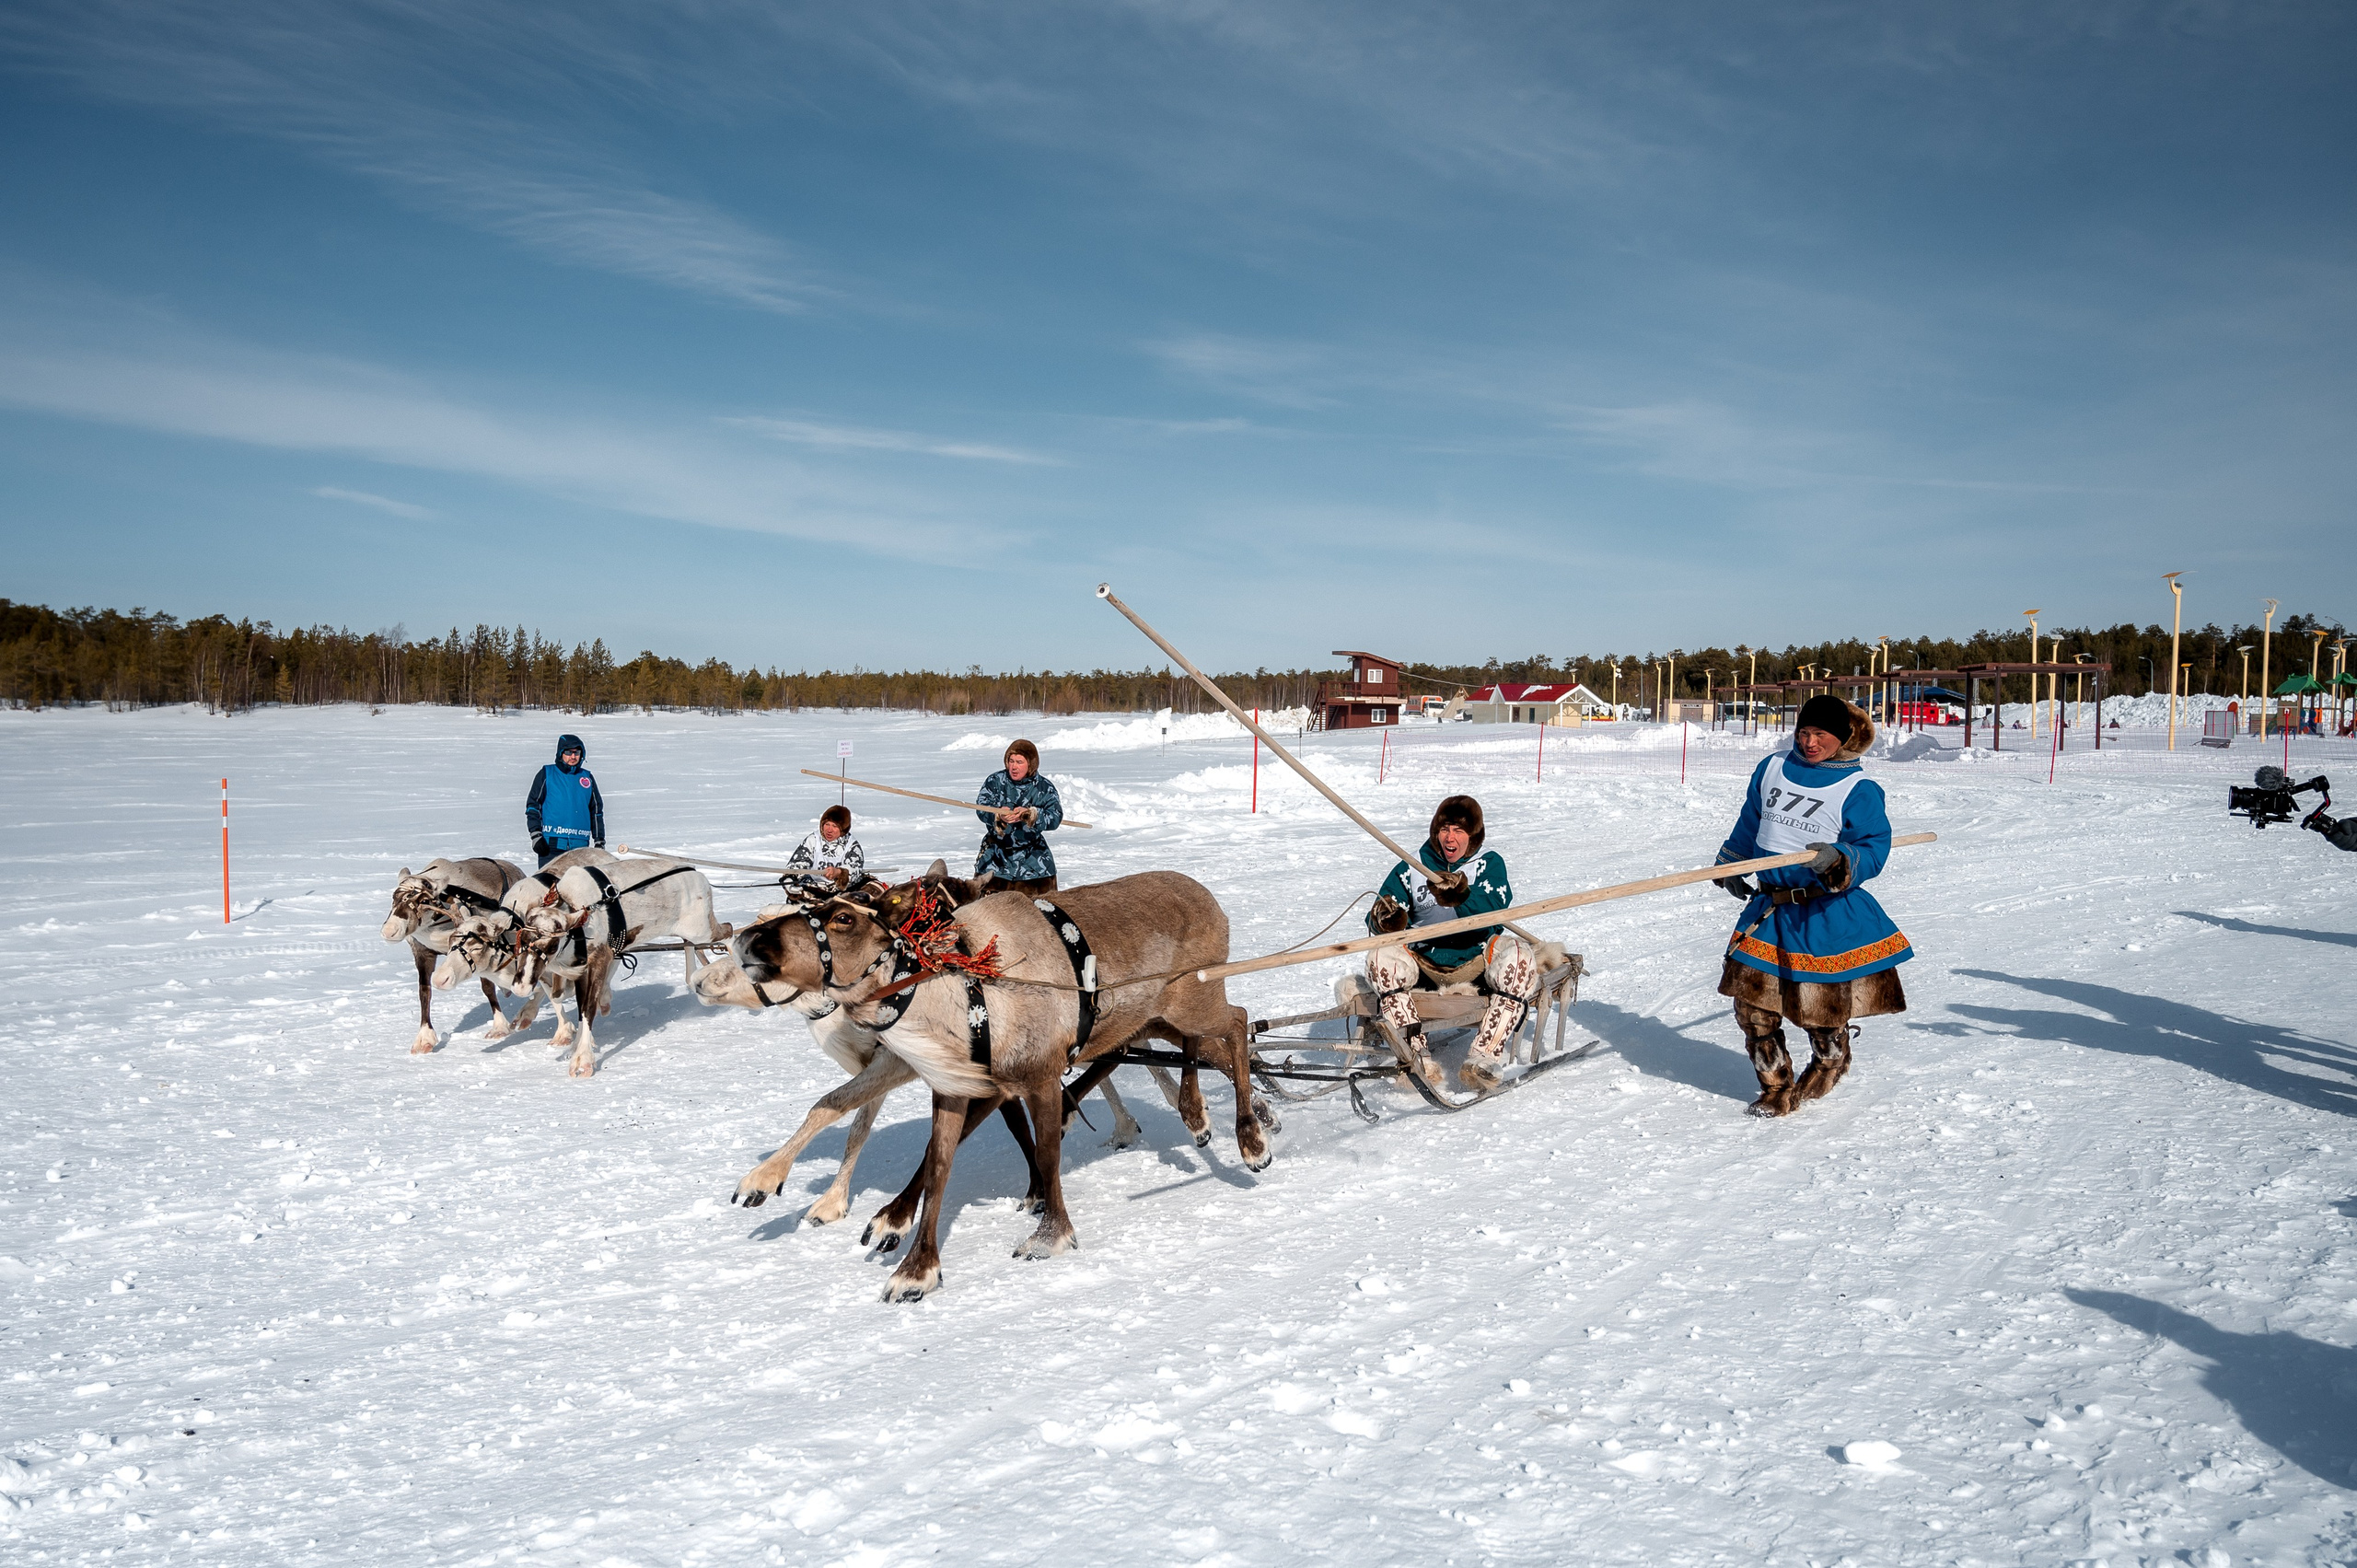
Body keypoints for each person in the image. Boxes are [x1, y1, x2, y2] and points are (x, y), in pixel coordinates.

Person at [1713, 693, 1913, 1118]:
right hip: (1770, 910)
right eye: (1804, 732)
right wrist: (1733, 861)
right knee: (1753, 1009)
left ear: (1841, 738)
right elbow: (1753, 819)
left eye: (1820, 734)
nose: (1809, 742)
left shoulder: (1858, 789)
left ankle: (1830, 1061)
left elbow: (1874, 848)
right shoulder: (1771, 769)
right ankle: (1776, 1088)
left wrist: (1841, 858)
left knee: (1820, 1011)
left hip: (1823, 912)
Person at [1364, 795, 1534, 1093]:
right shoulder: (1412, 867)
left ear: (1474, 836)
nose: (1450, 837)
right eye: (1445, 829)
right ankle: (1417, 1059)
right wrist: (1384, 918)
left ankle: (1482, 1058)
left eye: (1459, 830)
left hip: (1476, 958)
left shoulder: (1488, 864)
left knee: (1521, 958)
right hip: (1424, 961)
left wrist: (1463, 897)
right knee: (1379, 958)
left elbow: (1497, 902)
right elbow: (1383, 908)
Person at [974, 739, 1063, 895]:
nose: (1014, 766)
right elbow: (981, 808)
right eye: (1011, 761)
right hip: (995, 861)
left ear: (1031, 764)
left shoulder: (1044, 787)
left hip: (1034, 864)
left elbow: (1055, 817)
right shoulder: (994, 781)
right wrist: (998, 815)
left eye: (1019, 762)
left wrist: (1033, 815)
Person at [525, 733, 604, 868]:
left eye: (576, 752)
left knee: (579, 888)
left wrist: (599, 842)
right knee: (550, 887)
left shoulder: (587, 777)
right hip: (551, 845)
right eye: (568, 752)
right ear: (561, 753)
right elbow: (533, 806)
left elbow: (596, 812)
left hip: (580, 848)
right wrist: (536, 834)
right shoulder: (547, 773)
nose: (573, 756)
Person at [786, 805, 865, 883]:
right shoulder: (813, 840)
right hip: (814, 885)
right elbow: (798, 862)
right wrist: (791, 878)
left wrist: (838, 872)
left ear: (843, 829)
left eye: (835, 826)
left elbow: (855, 867)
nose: (829, 830)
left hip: (842, 889)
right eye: (827, 824)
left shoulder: (851, 845)